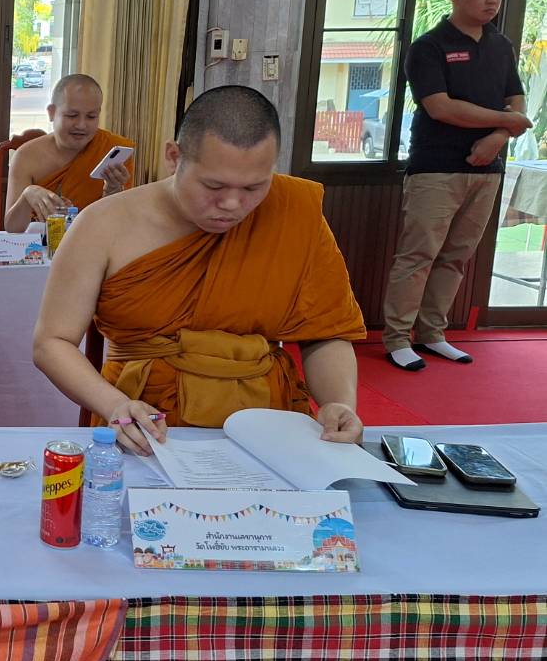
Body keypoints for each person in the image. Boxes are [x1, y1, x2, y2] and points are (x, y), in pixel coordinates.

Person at [31, 86, 366, 455]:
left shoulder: (294, 213)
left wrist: (339, 403)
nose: (233, 204)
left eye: (254, 187)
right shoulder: (104, 224)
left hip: (267, 425)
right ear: (174, 157)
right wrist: (114, 405)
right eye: (213, 185)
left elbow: (326, 333)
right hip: (145, 426)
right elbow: (52, 342)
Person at [382, 0, 529, 371]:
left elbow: (516, 101)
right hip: (436, 167)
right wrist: (506, 122)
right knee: (418, 255)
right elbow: (441, 107)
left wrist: (496, 140)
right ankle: (397, 338)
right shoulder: (430, 46)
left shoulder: (500, 44)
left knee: (457, 256)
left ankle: (432, 333)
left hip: (486, 170)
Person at [4, 74, 134, 232]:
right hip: (38, 249)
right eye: (72, 115)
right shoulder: (27, 156)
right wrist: (27, 196)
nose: (81, 125)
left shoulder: (113, 149)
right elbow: (12, 229)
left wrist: (113, 189)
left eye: (91, 117)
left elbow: (118, 226)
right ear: (52, 112)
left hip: (93, 245)